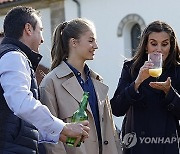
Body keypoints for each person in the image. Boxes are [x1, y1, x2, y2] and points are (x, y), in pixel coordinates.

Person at [0, 6, 90, 154]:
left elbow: (18, 123)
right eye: (40, 30)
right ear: (28, 29)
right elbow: (21, 103)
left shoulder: (10, 55)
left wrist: (56, 133)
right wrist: (63, 127)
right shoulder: (14, 56)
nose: (42, 39)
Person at [39, 18, 122, 154]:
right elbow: (50, 137)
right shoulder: (51, 83)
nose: (96, 46)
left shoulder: (98, 81)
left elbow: (111, 132)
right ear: (74, 43)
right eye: (91, 40)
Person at [110, 20, 180, 154]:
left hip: (167, 144)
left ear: (170, 46)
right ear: (146, 46)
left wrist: (169, 92)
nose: (159, 49)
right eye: (154, 44)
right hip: (137, 144)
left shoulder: (177, 71)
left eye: (164, 44)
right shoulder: (131, 68)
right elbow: (116, 108)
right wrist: (137, 82)